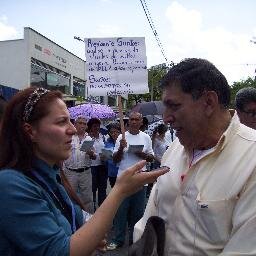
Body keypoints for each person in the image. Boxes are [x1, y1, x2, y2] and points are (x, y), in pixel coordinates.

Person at [0, 87, 169, 256]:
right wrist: (119, 191)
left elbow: (79, 221)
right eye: (61, 122)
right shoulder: (10, 184)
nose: (73, 129)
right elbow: (61, 251)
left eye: (72, 121)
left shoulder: (52, 176)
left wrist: (89, 236)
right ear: (30, 131)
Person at [134, 58, 256, 255]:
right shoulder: (174, 149)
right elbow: (150, 219)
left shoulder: (252, 158)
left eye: (173, 106)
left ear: (208, 102)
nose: (166, 118)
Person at [107, 112, 154, 250]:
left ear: (141, 122)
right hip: (123, 180)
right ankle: (118, 239)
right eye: (131, 119)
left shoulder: (146, 137)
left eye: (136, 119)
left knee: (138, 212)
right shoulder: (122, 137)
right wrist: (121, 148)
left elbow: (151, 157)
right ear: (128, 122)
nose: (133, 122)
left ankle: (135, 240)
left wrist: (142, 155)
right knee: (121, 211)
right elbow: (115, 160)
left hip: (140, 179)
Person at [63, 117, 95, 213]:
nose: (82, 125)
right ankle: (72, 219)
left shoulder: (89, 138)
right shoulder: (68, 137)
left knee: (88, 198)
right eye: (80, 123)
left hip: (85, 172)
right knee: (69, 197)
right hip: (70, 172)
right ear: (75, 124)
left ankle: (89, 220)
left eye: (85, 124)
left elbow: (94, 157)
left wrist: (91, 153)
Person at [87, 117, 108, 209]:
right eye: (94, 126)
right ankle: (93, 207)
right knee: (92, 188)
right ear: (90, 127)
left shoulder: (103, 137)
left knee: (102, 188)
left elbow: (106, 149)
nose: (97, 128)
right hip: (92, 166)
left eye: (98, 126)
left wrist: (106, 155)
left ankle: (102, 208)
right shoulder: (87, 138)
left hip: (102, 165)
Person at [104, 122, 121, 188]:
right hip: (112, 173)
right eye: (112, 132)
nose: (114, 134)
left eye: (116, 132)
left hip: (122, 172)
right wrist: (103, 157)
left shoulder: (124, 142)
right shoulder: (107, 143)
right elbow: (105, 159)